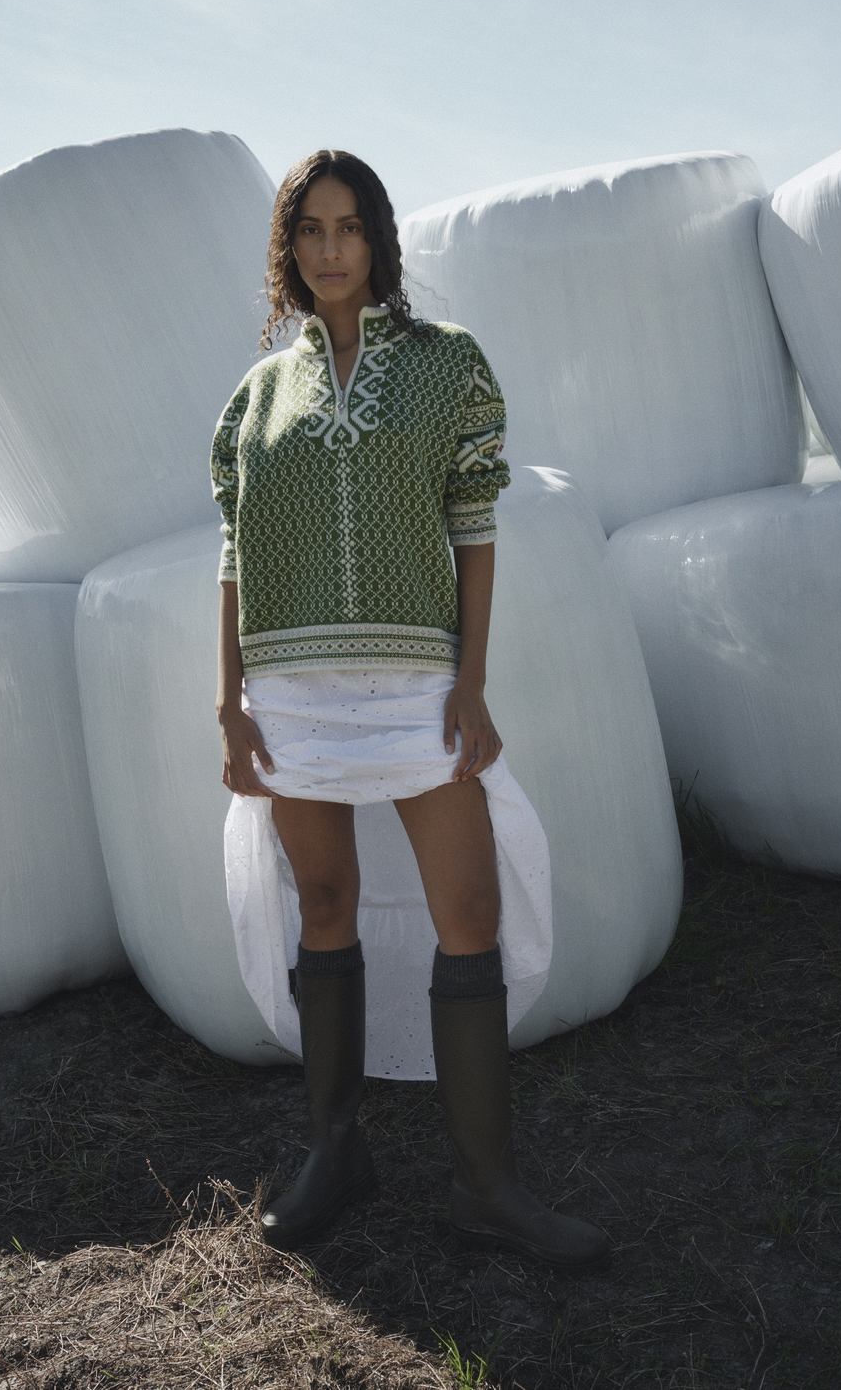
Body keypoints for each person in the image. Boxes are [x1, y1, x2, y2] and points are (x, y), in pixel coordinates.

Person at [210, 149, 608, 1269]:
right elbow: (234, 555)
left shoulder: (448, 366)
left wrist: (469, 683)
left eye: (348, 228)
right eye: (309, 230)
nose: (329, 249)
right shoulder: (254, 398)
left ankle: (487, 1186)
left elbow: (474, 530)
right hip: (290, 692)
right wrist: (228, 702)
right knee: (323, 902)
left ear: (379, 240)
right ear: (287, 250)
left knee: (467, 911)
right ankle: (336, 1152)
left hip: (416, 686)